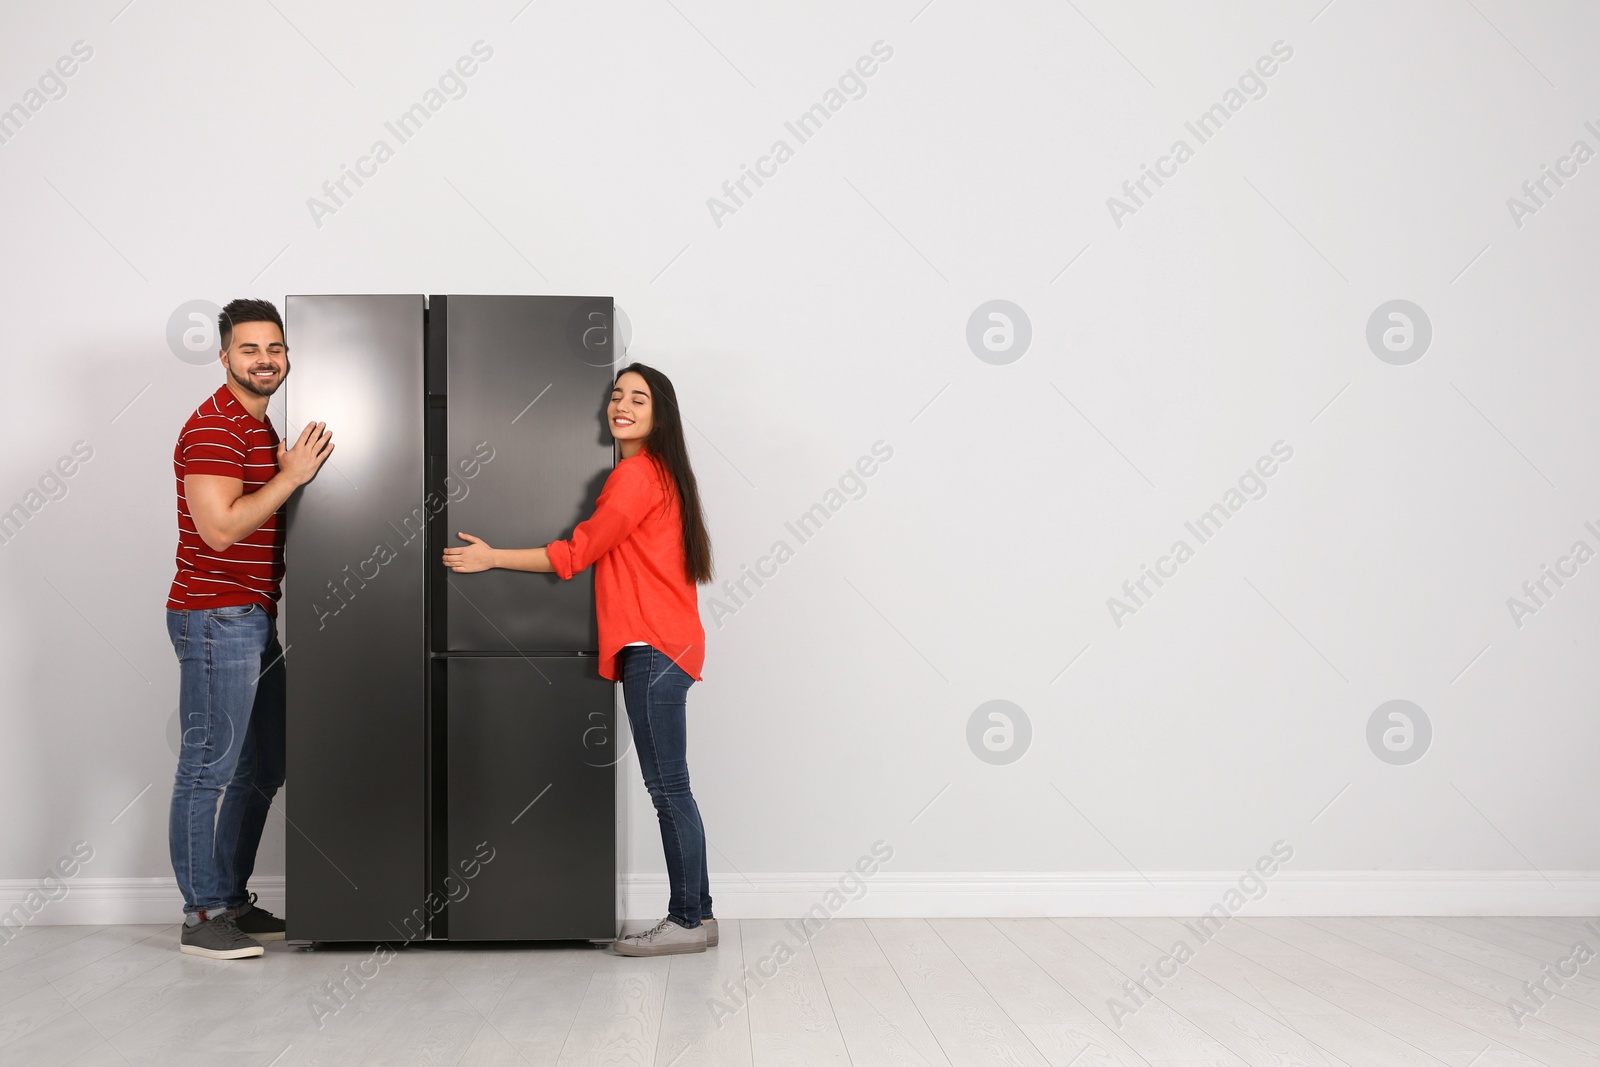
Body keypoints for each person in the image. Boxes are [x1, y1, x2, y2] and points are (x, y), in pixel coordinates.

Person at [443, 362, 714, 956]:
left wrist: (493, 559)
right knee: (675, 786)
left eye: (638, 399)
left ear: (659, 414)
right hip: (670, 644)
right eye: (616, 396)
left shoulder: (636, 477)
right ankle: (701, 915)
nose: (621, 405)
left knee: (669, 788)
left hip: (652, 646)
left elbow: (576, 552)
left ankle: (686, 922)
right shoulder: (661, 475)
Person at [167, 298, 333, 959]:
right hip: (214, 615)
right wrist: (292, 476)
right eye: (249, 349)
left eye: (274, 349)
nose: (264, 360)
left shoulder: (258, 428)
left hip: (251, 616)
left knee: (266, 762)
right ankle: (202, 914)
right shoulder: (214, 427)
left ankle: (230, 900)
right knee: (207, 768)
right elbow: (219, 527)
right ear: (225, 356)